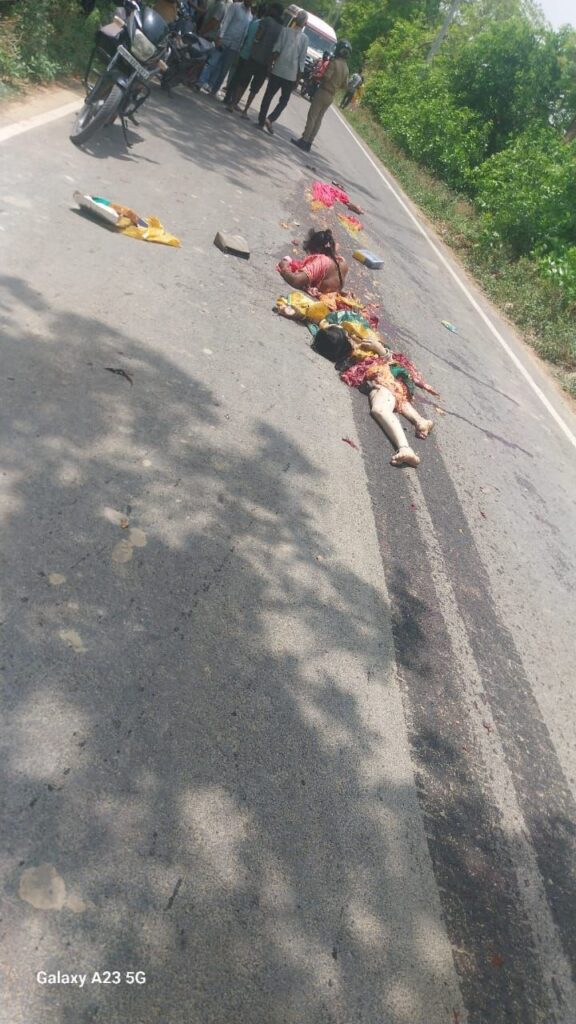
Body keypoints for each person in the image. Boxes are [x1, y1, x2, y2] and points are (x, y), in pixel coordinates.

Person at [313, 323, 435, 468]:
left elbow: (392, 360)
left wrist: (380, 349)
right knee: (388, 397)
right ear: (344, 342)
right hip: (389, 383)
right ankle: (421, 421)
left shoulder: (363, 344)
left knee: (380, 409)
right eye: (346, 334)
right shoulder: (349, 357)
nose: (349, 333)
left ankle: (405, 448)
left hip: (392, 377)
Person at [224, 1, 283, 116]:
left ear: (274, 11)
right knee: (255, 88)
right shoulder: (281, 28)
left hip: (254, 57)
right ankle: (245, 110)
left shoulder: (266, 21)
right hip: (265, 62)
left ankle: (232, 104)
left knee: (243, 81)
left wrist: (255, 44)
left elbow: (258, 37)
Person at [291, 38, 351, 152]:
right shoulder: (346, 69)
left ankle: (304, 140)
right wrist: (335, 84)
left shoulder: (334, 63)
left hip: (323, 91)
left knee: (312, 116)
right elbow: (345, 86)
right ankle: (309, 142)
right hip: (331, 95)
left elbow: (326, 77)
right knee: (319, 119)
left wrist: (316, 77)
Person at [257, 9, 308, 135]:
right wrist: (298, 79)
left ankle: (261, 121)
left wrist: (270, 64)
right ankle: (270, 119)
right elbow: (301, 61)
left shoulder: (285, 31)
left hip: (278, 69)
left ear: (295, 20)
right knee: (284, 101)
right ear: (305, 24)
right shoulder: (304, 39)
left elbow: (277, 49)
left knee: (268, 96)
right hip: (290, 75)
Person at [196, 0, 252, 96]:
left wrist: (240, 47)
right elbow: (226, 21)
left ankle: (213, 89)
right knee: (212, 62)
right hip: (224, 40)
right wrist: (220, 37)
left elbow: (245, 33)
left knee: (223, 69)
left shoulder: (250, 16)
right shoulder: (235, 6)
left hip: (235, 47)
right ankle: (200, 83)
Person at [276, 228, 348, 295]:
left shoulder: (321, 261)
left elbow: (296, 280)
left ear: (317, 249)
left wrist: (284, 267)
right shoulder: (342, 262)